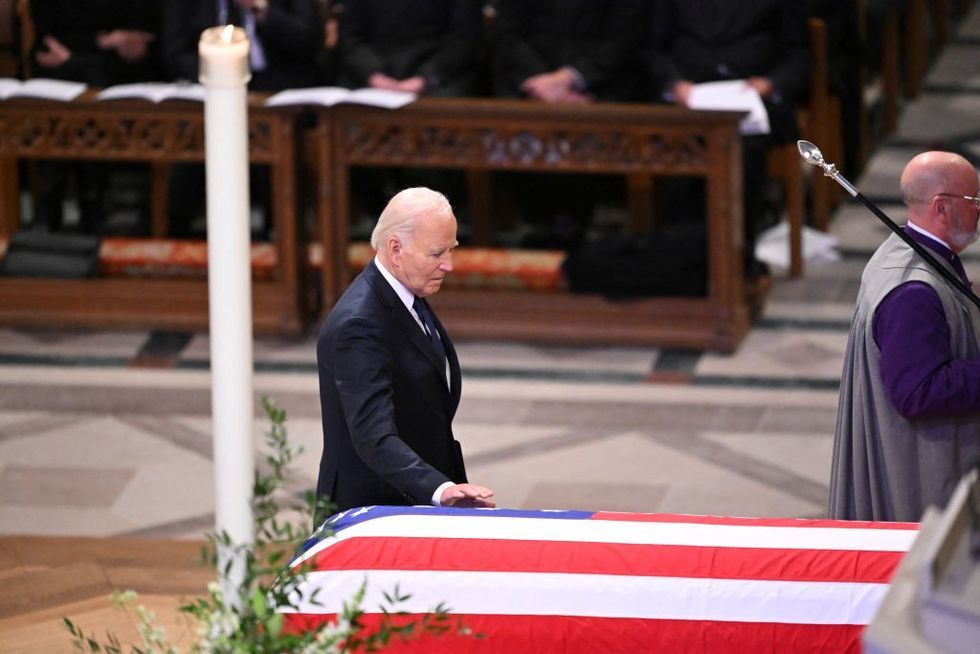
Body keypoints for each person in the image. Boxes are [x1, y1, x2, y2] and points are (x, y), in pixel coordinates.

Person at [315, 187, 496, 516]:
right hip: (374, 509)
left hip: (413, 493)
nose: (449, 265)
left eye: (451, 250)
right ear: (396, 249)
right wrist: (440, 490)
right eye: (437, 253)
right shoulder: (359, 324)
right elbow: (374, 436)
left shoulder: (405, 290)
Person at [829, 151, 980, 522]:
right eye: (975, 200)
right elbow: (919, 392)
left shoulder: (911, 249)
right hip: (922, 478)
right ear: (942, 207)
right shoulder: (913, 291)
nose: (979, 211)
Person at [641, 0, 812, 278]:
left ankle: (737, 254)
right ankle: (683, 257)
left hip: (754, 105)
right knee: (678, 146)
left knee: (742, 150)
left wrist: (769, 84)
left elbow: (799, 57)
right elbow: (651, 50)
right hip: (688, 104)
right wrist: (675, 84)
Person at [336, 0, 486, 97]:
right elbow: (350, 38)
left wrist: (425, 78)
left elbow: (466, 38)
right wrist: (374, 74)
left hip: (441, 74)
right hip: (372, 74)